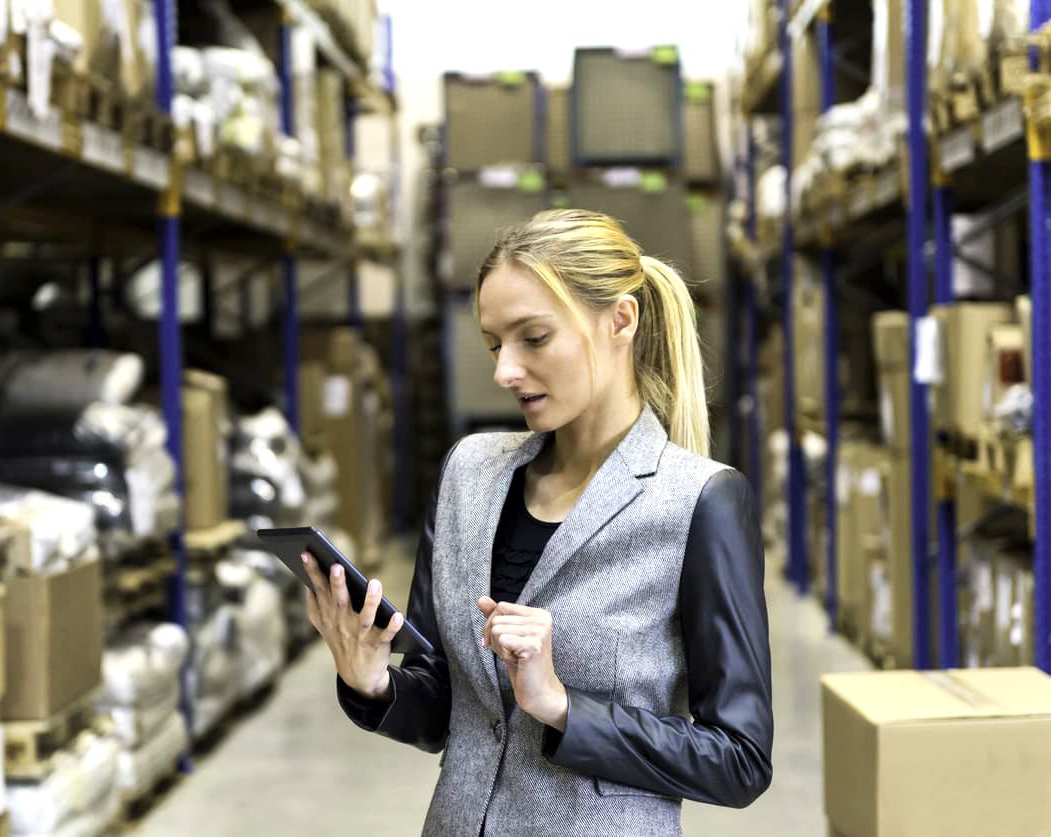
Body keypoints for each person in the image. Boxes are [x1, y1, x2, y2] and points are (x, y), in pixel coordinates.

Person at [299, 209, 773, 836]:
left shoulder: (699, 501)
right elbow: (444, 708)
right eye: (495, 343)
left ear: (620, 320)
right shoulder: (468, 473)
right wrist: (373, 682)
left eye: (534, 338)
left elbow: (738, 761)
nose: (504, 372)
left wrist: (562, 707)